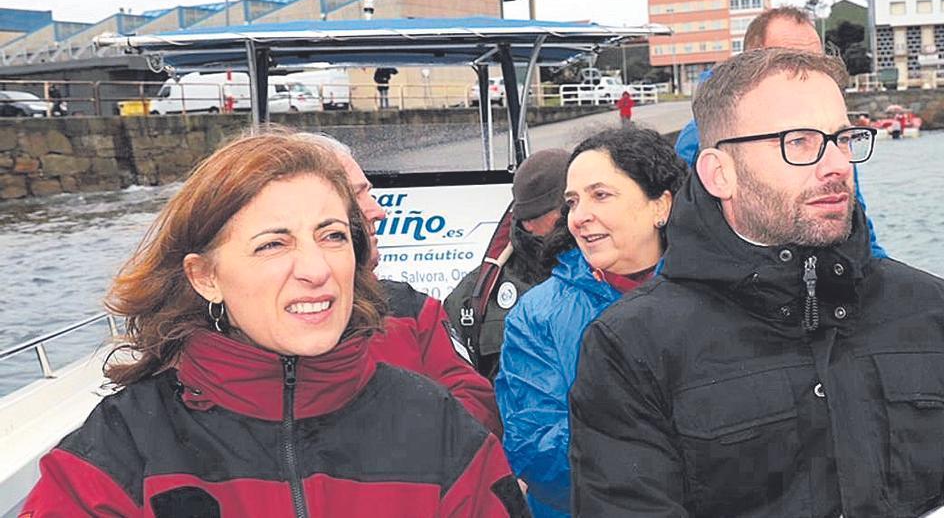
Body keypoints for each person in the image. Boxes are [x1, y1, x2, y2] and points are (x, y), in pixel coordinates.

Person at [569, 49, 944, 517]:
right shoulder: (631, 346)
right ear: (720, 174)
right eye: (799, 141)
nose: (838, 164)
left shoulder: (938, 312)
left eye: (843, 139)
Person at [21, 132, 528, 517]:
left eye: (331, 236)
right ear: (205, 276)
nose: (316, 268)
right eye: (273, 243)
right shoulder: (122, 449)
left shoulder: (438, 426)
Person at [495, 127, 686, 518]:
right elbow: (536, 452)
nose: (580, 216)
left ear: (660, 206)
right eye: (572, 201)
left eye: (600, 195)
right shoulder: (537, 317)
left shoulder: (716, 294)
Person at [302, 133, 503, 434]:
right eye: (357, 196)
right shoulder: (258, 327)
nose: (379, 211)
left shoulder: (411, 309)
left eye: (369, 192)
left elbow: (476, 408)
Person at [672, 6, 888, 259]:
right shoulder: (698, 141)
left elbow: (859, 228)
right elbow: (679, 238)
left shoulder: (832, 141)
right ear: (751, 60)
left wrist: (882, 283)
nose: (808, 71)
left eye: (817, 60)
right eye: (790, 60)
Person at [444, 148, 571, 380]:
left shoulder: (613, 268)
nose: (529, 225)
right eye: (566, 206)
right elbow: (454, 382)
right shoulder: (476, 293)